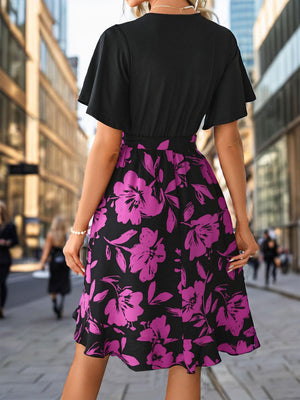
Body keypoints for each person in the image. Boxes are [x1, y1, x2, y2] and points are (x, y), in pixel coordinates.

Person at [61, 1, 261, 399]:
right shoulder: (221, 42)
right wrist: (243, 222)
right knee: (188, 346)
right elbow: (229, 141)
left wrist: (78, 229)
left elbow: (107, 147)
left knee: (97, 333)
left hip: (131, 199)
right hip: (194, 200)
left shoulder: (119, 39)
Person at [40, 214, 71, 319]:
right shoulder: (66, 235)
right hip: (64, 263)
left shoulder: (50, 235)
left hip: (54, 263)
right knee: (63, 283)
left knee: (53, 283)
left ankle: (54, 304)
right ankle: (61, 305)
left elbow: (46, 251)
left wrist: (42, 263)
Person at [0, 200, 19, 319]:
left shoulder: (10, 226)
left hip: (4, 259)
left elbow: (16, 241)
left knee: (1, 283)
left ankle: (1, 307)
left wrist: (6, 242)